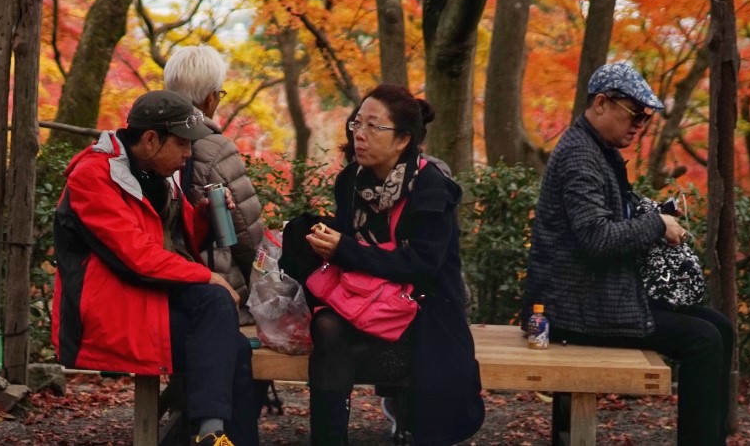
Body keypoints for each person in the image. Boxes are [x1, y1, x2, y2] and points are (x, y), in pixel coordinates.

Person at [523, 61, 734, 446]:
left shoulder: (595, 149)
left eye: (647, 119)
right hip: (574, 308)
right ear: (601, 103)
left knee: (720, 326)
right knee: (704, 340)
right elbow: (597, 238)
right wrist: (657, 225)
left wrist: (651, 213)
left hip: (596, 296)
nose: (640, 125)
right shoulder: (580, 157)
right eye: (634, 114)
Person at [279, 85, 484, 446]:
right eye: (357, 123)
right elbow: (348, 252)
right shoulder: (350, 181)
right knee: (327, 327)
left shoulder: (431, 188)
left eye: (374, 126)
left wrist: (344, 249)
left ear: (403, 139)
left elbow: (422, 266)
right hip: (367, 303)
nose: (359, 134)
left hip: (423, 311)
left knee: (342, 337)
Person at [52, 89, 257, 446]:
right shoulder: (93, 177)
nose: (189, 154)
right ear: (149, 140)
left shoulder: (154, 174)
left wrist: (206, 218)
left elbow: (172, 240)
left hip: (150, 299)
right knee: (224, 328)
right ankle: (210, 434)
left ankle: (212, 434)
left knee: (227, 330)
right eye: (182, 144)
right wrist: (208, 275)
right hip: (108, 315)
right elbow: (137, 256)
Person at [163, 44, 266, 304]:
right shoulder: (217, 149)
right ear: (211, 98)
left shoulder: (150, 143)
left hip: (161, 276)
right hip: (213, 283)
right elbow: (247, 234)